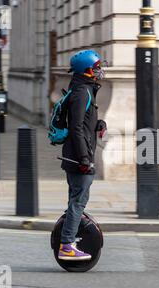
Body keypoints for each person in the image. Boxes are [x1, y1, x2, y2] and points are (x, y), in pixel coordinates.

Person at [58, 50, 107, 261]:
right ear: (87, 70)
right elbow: (76, 127)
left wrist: (98, 124)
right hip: (79, 158)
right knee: (78, 202)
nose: (99, 71)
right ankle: (67, 245)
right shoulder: (81, 92)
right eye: (96, 67)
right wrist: (85, 159)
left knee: (76, 200)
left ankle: (70, 236)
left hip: (78, 155)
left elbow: (84, 123)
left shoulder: (84, 90)